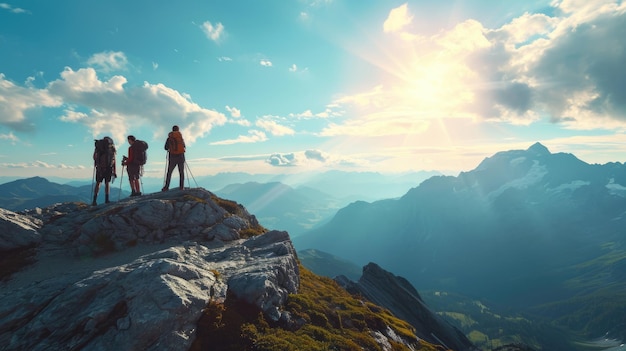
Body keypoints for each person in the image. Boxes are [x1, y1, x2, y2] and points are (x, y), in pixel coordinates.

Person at [92, 136, 117, 205]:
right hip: (108, 168)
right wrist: (114, 171)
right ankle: (107, 199)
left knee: (98, 183)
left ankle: (94, 200)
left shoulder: (98, 147)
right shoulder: (111, 148)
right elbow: (114, 160)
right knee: (107, 183)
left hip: (100, 168)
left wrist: (97, 162)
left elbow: (94, 157)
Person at [162, 125, 186, 191]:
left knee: (169, 172)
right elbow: (184, 146)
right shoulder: (180, 137)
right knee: (181, 172)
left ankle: (166, 187)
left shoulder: (170, 138)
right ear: (178, 130)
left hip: (172, 157)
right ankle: (181, 187)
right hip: (181, 156)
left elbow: (165, 148)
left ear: (172, 130)